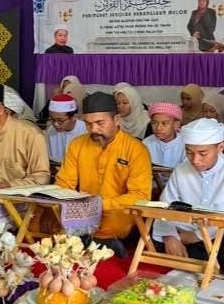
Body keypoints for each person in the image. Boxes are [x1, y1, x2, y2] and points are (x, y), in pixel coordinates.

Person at [152, 118, 224, 279]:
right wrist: (170, 236)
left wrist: (197, 236)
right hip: (186, 229)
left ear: (220, 147)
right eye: (189, 152)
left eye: (202, 153)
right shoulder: (181, 170)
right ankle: (218, 257)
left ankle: (205, 253)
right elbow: (164, 208)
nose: (195, 160)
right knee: (148, 233)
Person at [55, 92, 152, 255]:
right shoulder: (77, 145)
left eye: (100, 123)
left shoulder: (136, 149)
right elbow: (64, 183)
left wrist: (99, 205)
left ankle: (97, 242)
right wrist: (72, 202)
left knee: (113, 223)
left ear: (116, 120)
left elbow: (140, 195)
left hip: (116, 214)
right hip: (80, 212)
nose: (94, 129)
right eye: (88, 124)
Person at [45, 94, 86, 164]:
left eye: (60, 120)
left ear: (74, 117)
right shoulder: (51, 131)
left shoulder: (85, 131)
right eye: (52, 119)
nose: (55, 124)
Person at [143, 102, 184, 168]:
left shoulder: (185, 144)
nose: (158, 128)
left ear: (176, 124)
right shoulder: (146, 143)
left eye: (164, 123)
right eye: (154, 123)